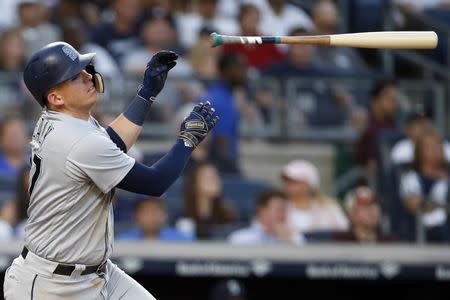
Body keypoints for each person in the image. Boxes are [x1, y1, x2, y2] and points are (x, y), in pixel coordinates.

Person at [3, 41, 218, 299]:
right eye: (75, 76)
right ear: (56, 97)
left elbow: (111, 144)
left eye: (84, 69)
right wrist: (187, 141)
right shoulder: (76, 138)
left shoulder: (65, 119)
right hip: (53, 286)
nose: (88, 76)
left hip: (96, 273)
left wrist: (146, 93)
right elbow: (154, 183)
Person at [399, 129, 449, 242]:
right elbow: (413, 204)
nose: (436, 150)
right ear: (419, 152)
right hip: (425, 231)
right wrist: (438, 204)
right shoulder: (411, 177)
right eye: (430, 147)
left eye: (438, 145)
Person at [281, 159, 349, 234]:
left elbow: (343, 232)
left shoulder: (330, 208)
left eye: (295, 181)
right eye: (287, 181)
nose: (289, 185)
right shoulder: (279, 207)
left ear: (309, 184)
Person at [179, 161, 236, 239]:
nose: (215, 181)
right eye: (209, 177)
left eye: (216, 176)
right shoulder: (183, 216)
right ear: (195, 184)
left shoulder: (228, 215)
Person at [229, 188, 305, 245]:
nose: (283, 215)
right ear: (261, 211)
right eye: (279, 210)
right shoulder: (240, 238)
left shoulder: (295, 237)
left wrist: (288, 241)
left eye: (285, 210)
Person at [356, 80, 399, 173]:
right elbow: (371, 169)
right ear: (374, 101)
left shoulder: (396, 128)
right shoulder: (370, 131)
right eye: (389, 98)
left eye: (395, 99)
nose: (394, 103)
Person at [117, 196, 194, 241]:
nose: (153, 215)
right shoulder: (124, 240)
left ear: (165, 214)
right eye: (147, 210)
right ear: (136, 215)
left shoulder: (180, 239)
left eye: (157, 209)